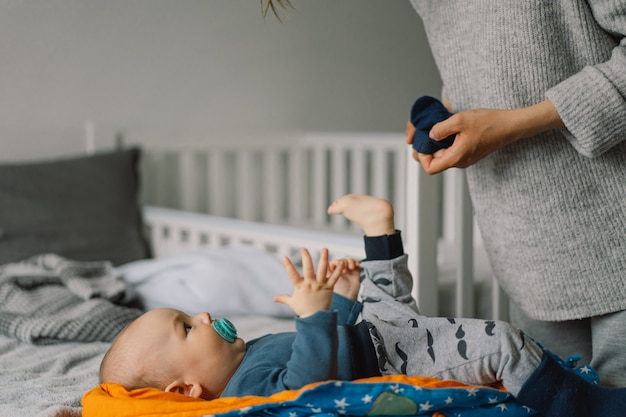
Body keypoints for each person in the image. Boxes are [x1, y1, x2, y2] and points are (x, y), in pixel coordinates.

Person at [100, 194, 626, 417]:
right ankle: (587, 407)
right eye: (188, 328)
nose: (202, 316)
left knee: (381, 290)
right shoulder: (249, 395)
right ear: (186, 389)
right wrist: (310, 317)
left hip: (372, 336)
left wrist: (344, 305)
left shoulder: (242, 356)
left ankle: (379, 230)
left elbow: (336, 349)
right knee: (501, 341)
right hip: (395, 360)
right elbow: (312, 384)